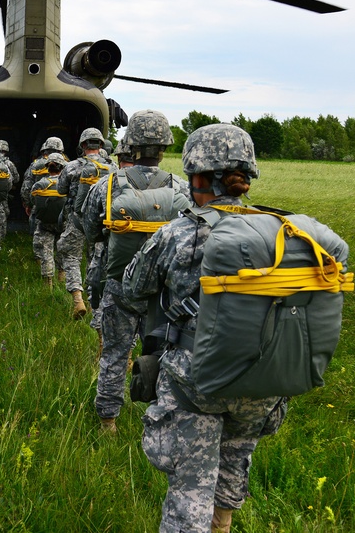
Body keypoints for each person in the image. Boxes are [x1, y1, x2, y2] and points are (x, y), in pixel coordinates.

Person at [121, 124, 286, 533]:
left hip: (199, 379)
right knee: (233, 465)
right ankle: (222, 525)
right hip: (263, 379)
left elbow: (133, 287)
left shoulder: (179, 233)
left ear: (197, 177)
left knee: (190, 492)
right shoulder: (283, 230)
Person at [81, 111, 190, 434]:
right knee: (167, 354)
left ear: (130, 145)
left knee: (114, 354)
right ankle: (162, 416)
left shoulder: (109, 185)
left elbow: (91, 230)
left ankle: (108, 420)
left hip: (120, 285)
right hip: (165, 292)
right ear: (165, 147)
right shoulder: (180, 186)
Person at [57, 127, 116, 318]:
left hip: (77, 221)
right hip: (102, 223)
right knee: (95, 261)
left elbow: (60, 190)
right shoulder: (112, 167)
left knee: (71, 257)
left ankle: (77, 299)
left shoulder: (72, 166)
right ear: (100, 144)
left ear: (82, 145)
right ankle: (94, 304)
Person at [27, 153, 68, 286]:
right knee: (62, 248)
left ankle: (48, 280)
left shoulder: (38, 185)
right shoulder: (67, 184)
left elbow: (33, 201)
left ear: (47, 168)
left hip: (45, 223)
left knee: (46, 251)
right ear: (62, 167)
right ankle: (62, 273)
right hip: (63, 222)